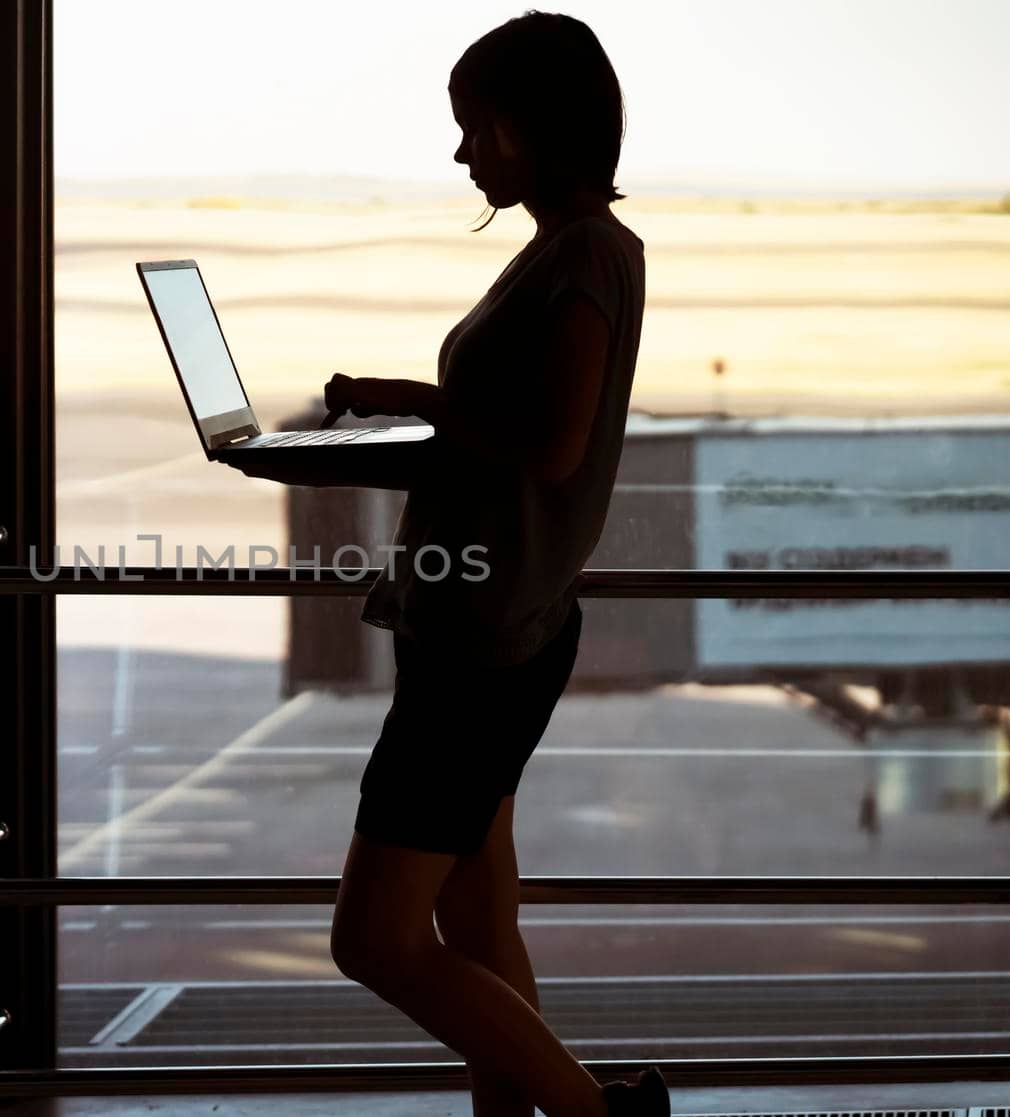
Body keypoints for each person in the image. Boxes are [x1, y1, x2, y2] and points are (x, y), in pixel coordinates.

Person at [228, 11, 667, 1117]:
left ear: (528, 132)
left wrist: (412, 399)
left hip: (481, 644)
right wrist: (345, 449)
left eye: (476, 129)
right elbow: (497, 445)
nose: (464, 154)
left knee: (371, 938)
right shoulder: (569, 250)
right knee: (477, 921)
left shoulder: (585, 260)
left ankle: (598, 1115)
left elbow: (549, 445)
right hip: (487, 627)